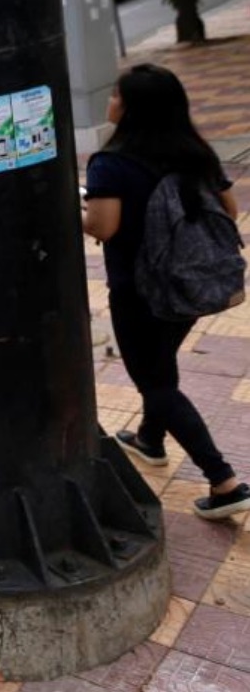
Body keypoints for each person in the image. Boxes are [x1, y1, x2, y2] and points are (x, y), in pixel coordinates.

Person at [84, 63, 249, 519]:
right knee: (160, 365)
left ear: (131, 107)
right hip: (190, 285)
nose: (110, 101)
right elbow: (229, 208)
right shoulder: (194, 152)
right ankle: (150, 440)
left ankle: (224, 482)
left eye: (115, 95)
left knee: (153, 381)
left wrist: (76, 212)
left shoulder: (111, 163)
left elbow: (104, 225)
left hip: (139, 291)